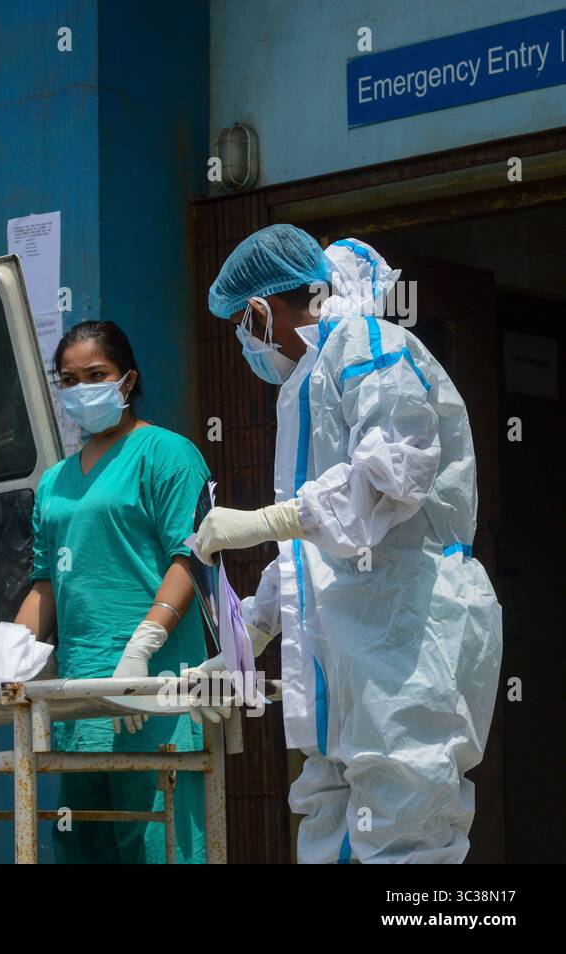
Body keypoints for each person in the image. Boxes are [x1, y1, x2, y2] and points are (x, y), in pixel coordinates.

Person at [200, 224, 502, 863]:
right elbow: (314, 555)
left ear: (258, 311)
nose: (248, 344)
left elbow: (392, 475)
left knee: (406, 833)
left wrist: (260, 522)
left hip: (406, 640)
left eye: (243, 327)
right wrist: (244, 642)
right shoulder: (309, 380)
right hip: (347, 654)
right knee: (330, 825)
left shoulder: (373, 347)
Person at [14, 321, 211, 864]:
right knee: (82, 849)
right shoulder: (53, 483)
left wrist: (142, 645)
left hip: (156, 695)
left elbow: (191, 555)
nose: (81, 390)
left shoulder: (168, 454)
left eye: (95, 375)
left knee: (160, 847)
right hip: (80, 705)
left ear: (127, 381)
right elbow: (46, 584)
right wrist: (3, 654)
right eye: (69, 380)